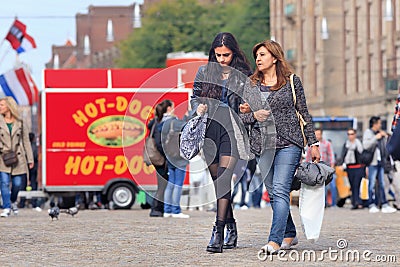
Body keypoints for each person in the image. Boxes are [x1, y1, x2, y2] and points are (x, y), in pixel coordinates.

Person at [240, 40, 320, 254]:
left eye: (263, 55)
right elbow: (241, 117)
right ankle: (290, 233)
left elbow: (304, 113)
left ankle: (274, 240)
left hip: (289, 143)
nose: (258, 59)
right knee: (275, 194)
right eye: (257, 55)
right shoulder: (251, 84)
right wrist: (253, 115)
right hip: (263, 146)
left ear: (275, 57)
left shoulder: (292, 82)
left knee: (281, 189)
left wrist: (313, 143)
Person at [191, 32, 252, 253]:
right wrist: (197, 108)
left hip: (233, 128)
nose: (222, 59)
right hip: (210, 128)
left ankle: (218, 230)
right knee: (219, 182)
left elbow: (255, 102)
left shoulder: (244, 74)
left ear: (234, 53)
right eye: (218, 55)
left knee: (225, 177)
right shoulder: (204, 71)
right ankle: (232, 225)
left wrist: (247, 109)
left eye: (226, 55)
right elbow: (194, 98)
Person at [0, 97, 34, 217]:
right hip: (2, 157)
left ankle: (13, 200)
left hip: (18, 157)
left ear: (9, 107)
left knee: (17, 183)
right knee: (4, 183)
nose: (0, 107)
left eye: (2, 105)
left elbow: (26, 141)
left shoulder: (20, 121)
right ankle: (6, 207)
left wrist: (30, 159)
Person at [160, 100, 190, 218]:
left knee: (170, 184)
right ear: (168, 108)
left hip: (169, 156)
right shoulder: (173, 122)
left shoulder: (163, 123)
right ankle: (176, 210)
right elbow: (187, 126)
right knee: (178, 184)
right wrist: (189, 114)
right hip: (179, 158)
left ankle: (167, 210)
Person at [363, 116, 396, 213]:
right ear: (374, 124)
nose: (380, 125)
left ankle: (384, 204)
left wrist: (385, 137)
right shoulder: (368, 133)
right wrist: (375, 138)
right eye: (379, 123)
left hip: (381, 162)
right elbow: (365, 145)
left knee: (382, 184)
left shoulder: (380, 133)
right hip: (372, 162)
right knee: (372, 183)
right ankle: (371, 204)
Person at [147, 101, 170, 217]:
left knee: (161, 184)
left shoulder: (155, 122)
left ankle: (158, 208)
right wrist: (166, 155)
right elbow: (159, 142)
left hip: (157, 158)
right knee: (162, 185)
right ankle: (156, 208)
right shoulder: (161, 124)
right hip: (161, 159)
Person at [305, 128, 336, 207]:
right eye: (316, 134)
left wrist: (332, 168)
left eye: (319, 134)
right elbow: (308, 157)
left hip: (325, 167)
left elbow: (331, 156)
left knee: (330, 186)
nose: (318, 136)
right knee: (318, 187)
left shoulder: (327, 144)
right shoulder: (311, 146)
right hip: (315, 169)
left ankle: (333, 204)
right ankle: (321, 203)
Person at [338, 128, 365, 209]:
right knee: (352, 185)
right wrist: (341, 164)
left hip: (358, 167)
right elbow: (343, 155)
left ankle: (357, 202)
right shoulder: (346, 144)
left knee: (356, 185)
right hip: (349, 167)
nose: (350, 136)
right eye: (349, 134)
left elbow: (362, 155)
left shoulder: (358, 144)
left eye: (352, 134)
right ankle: (355, 202)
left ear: (355, 135)